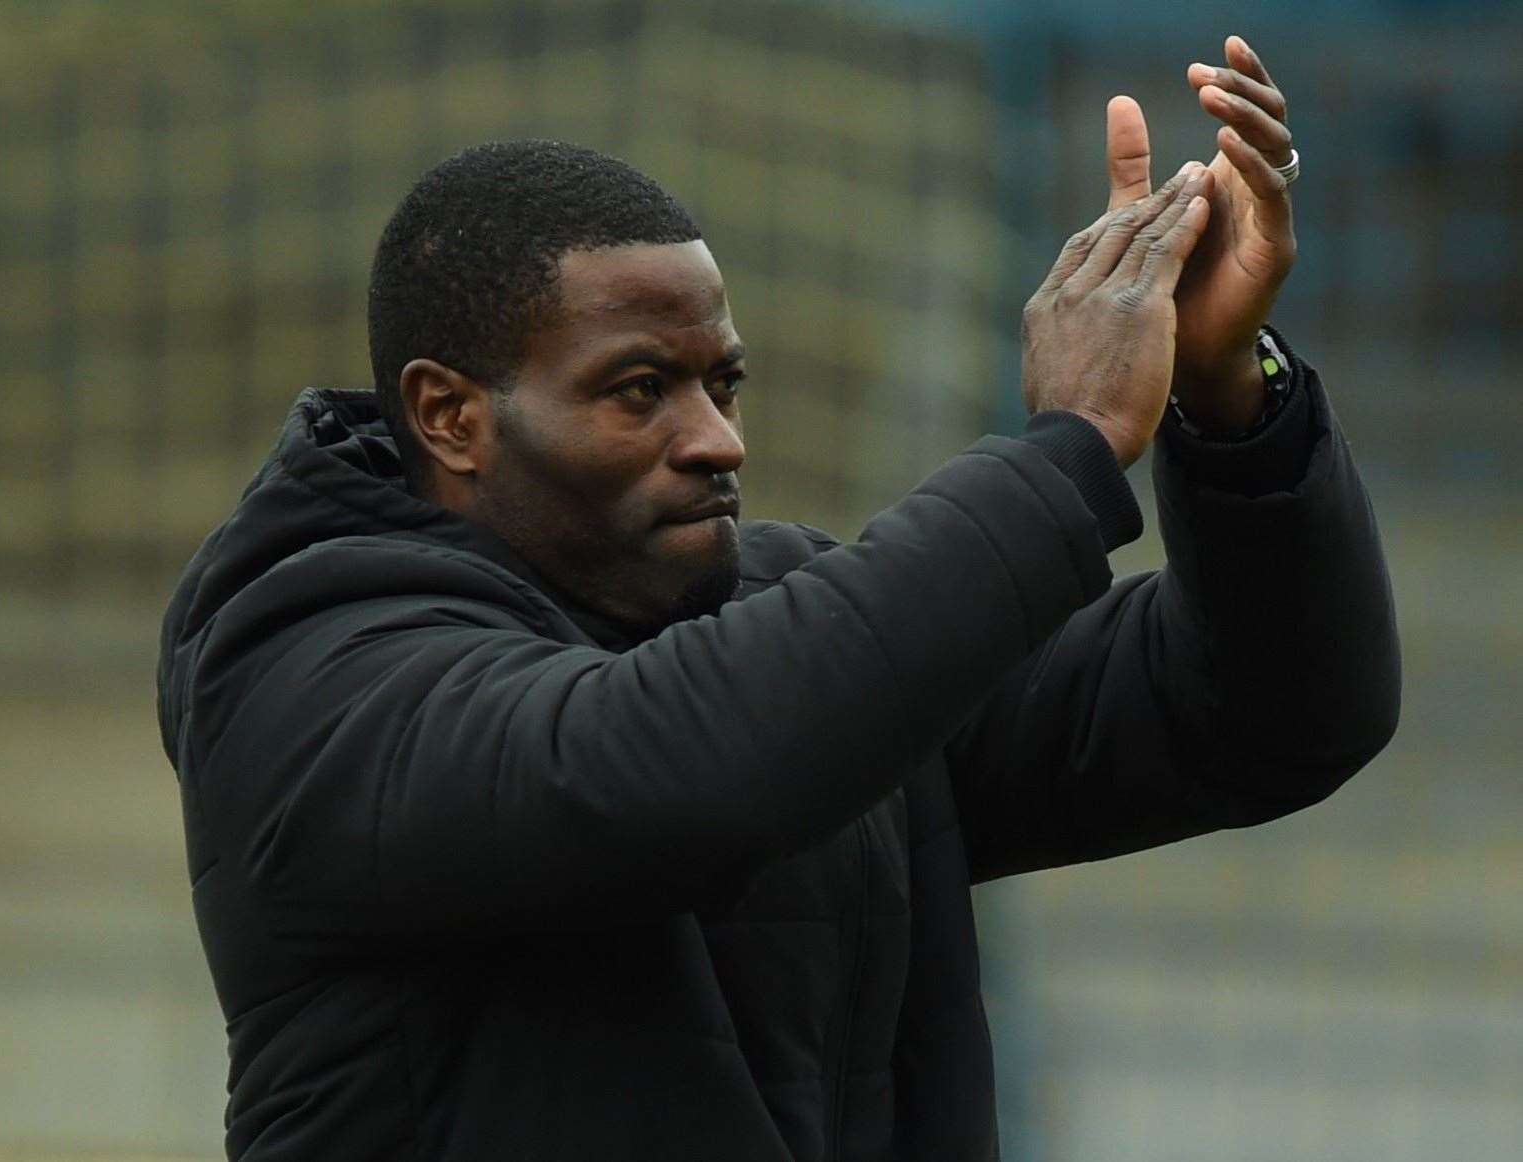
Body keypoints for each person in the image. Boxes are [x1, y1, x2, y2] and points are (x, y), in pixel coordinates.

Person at [157, 36, 1398, 1162]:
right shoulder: (307, 664)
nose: (716, 440)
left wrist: (1228, 395)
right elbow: (667, 769)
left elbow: (1278, 711)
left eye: (724, 383)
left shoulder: (787, 630)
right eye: (640, 389)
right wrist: (1066, 448)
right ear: (451, 415)